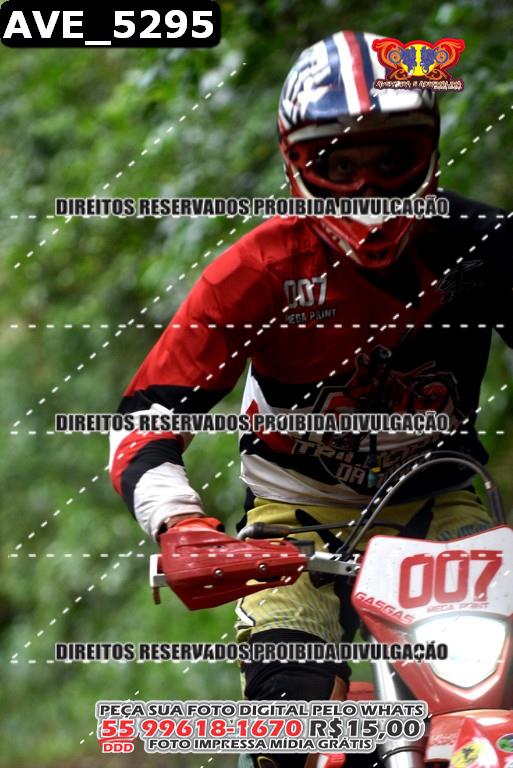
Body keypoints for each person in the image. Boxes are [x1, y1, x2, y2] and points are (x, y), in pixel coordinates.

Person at [109, 30, 512, 768]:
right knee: (287, 723)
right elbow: (146, 417)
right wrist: (180, 524)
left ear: (427, 151)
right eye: (339, 165)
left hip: (440, 501)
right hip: (296, 519)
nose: (366, 189)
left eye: (390, 160)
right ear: (299, 165)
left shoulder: (483, 246)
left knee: (487, 700)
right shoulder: (256, 270)